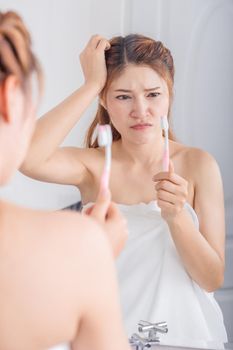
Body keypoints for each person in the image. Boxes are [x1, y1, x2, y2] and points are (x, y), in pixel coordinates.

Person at [20, 33, 228, 347]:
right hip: (106, 336)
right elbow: (26, 157)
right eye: (122, 96)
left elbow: (212, 279)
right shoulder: (93, 166)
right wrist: (90, 85)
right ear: (104, 100)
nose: (140, 110)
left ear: (169, 94)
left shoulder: (199, 165)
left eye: (153, 94)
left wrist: (177, 219)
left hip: (182, 338)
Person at [0, 10, 131, 350]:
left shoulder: (195, 163)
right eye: (123, 96)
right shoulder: (79, 246)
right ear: (10, 97)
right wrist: (94, 256)